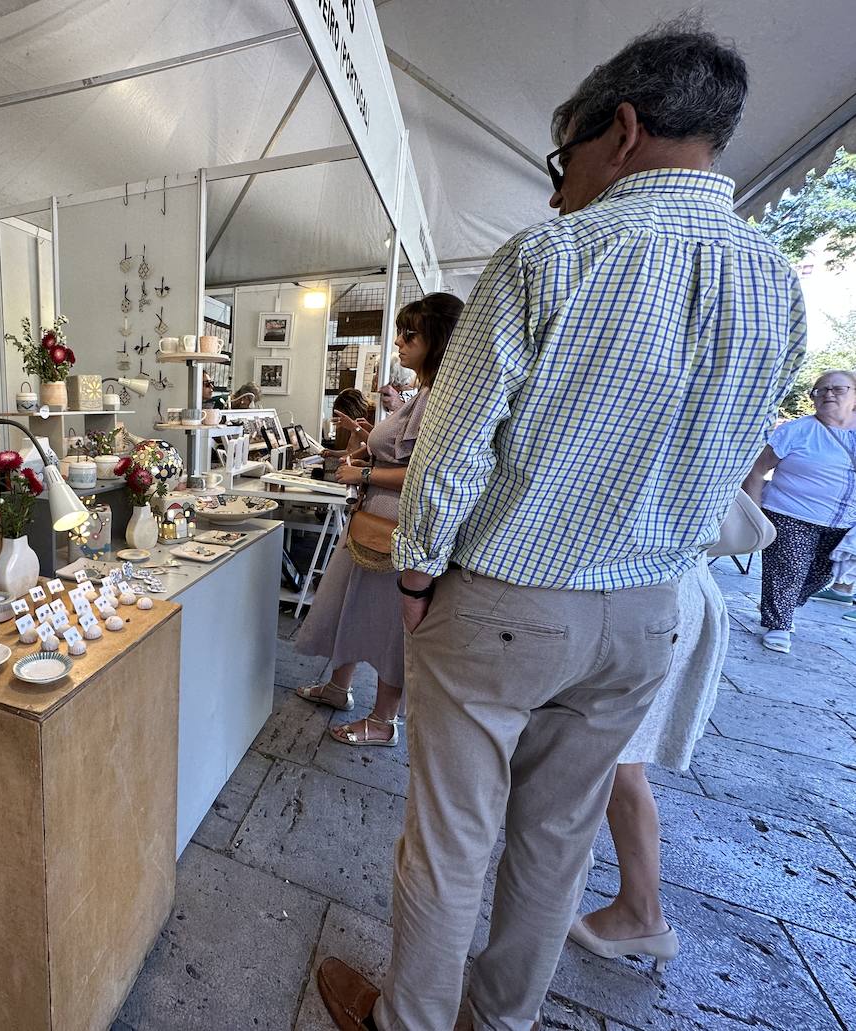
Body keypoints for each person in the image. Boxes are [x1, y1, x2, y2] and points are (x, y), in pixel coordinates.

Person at [316, 21, 805, 1031]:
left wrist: (415, 576)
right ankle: (500, 1023)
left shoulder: (555, 253)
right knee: (556, 844)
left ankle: (407, 1022)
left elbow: (452, 450)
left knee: (452, 838)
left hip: (509, 597)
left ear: (620, 129)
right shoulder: (777, 283)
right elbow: (737, 457)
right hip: (649, 609)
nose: (555, 184)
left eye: (564, 155)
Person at [295, 294, 463, 745]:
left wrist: (365, 471)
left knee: (390, 625)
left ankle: (384, 720)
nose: (400, 343)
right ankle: (338, 687)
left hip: (394, 532)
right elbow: (406, 450)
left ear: (437, 339)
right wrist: (371, 440)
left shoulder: (440, 396)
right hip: (372, 524)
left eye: (410, 335)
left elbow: (429, 473)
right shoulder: (425, 391)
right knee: (348, 606)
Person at [566, 552, 727, 970]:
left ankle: (642, 913)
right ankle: (578, 858)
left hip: (649, 600)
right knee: (612, 758)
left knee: (621, 764)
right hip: (670, 590)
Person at [743, 370, 856, 652]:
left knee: (822, 575)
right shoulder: (796, 430)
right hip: (790, 513)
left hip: (844, 521)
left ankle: (782, 604)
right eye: (820, 390)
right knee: (788, 570)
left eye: (838, 389)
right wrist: (755, 515)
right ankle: (778, 625)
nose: (828, 394)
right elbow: (757, 471)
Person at [323, 388, 376, 457]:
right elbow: (350, 451)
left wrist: (355, 428)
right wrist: (331, 453)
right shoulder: (356, 422)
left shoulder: (377, 417)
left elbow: (376, 447)